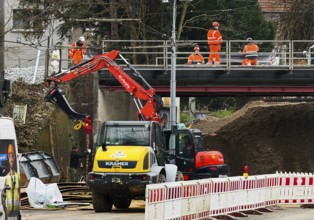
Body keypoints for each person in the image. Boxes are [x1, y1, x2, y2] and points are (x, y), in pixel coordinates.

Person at [5, 144, 20, 218]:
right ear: (8, 159)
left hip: (16, 209)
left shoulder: (17, 175)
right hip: (8, 209)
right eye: (9, 157)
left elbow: (19, 190)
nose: (11, 159)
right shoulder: (6, 177)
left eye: (12, 157)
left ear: (14, 158)